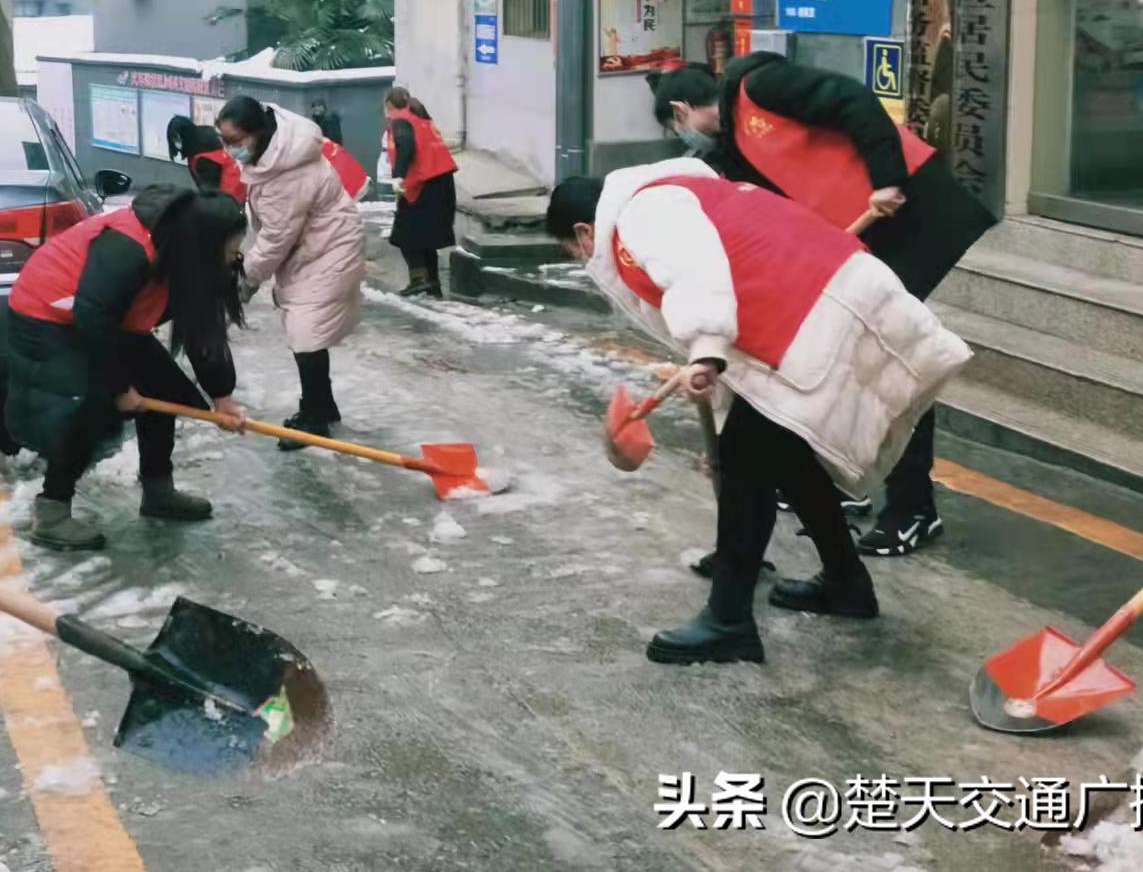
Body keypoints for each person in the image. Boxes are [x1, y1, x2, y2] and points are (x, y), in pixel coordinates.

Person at [547, 160, 970, 666]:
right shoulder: (679, 191)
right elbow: (727, 308)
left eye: (575, 252)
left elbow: (697, 272)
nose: (583, 260)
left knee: (747, 462)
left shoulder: (642, 212)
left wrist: (705, 351)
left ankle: (729, 621)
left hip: (818, 308)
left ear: (582, 230)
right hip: (820, 302)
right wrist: (713, 373)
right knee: (785, 458)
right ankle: (846, 582)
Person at [648, 54, 995, 557]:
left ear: (681, 110)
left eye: (677, 129)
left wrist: (887, 178)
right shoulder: (732, 151)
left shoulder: (760, 85)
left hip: (910, 215)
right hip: (861, 241)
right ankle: (849, 484)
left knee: (888, 352)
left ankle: (914, 509)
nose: (686, 142)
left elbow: (855, 102)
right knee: (841, 355)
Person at [4, 185, 250, 551]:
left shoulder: (188, 255)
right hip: (52, 314)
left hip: (110, 319)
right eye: (230, 251)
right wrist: (118, 387)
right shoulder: (127, 249)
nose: (235, 259)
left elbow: (202, 329)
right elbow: (93, 316)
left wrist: (222, 396)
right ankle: (52, 512)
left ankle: (158, 492)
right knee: (88, 407)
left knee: (163, 391)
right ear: (202, 244)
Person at [216, 95, 366, 442]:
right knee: (306, 332)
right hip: (312, 246)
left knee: (306, 331)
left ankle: (314, 418)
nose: (229, 150)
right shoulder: (272, 150)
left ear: (257, 132)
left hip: (329, 249)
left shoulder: (290, 171)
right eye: (224, 141)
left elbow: (276, 239)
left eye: (235, 142)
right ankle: (323, 405)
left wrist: (245, 279)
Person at [383, 87, 458, 298]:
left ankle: (419, 279)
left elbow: (405, 145)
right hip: (442, 183)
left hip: (423, 184)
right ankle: (433, 286)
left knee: (404, 234)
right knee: (426, 239)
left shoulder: (401, 120)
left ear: (389, 105)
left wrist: (398, 176)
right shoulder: (422, 120)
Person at [165, 113, 246, 201]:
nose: (176, 144)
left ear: (184, 135)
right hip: (238, 183)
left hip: (230, 193)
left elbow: (210, 193)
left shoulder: (202, 158)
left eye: (177, 138)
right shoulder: (200, 134)